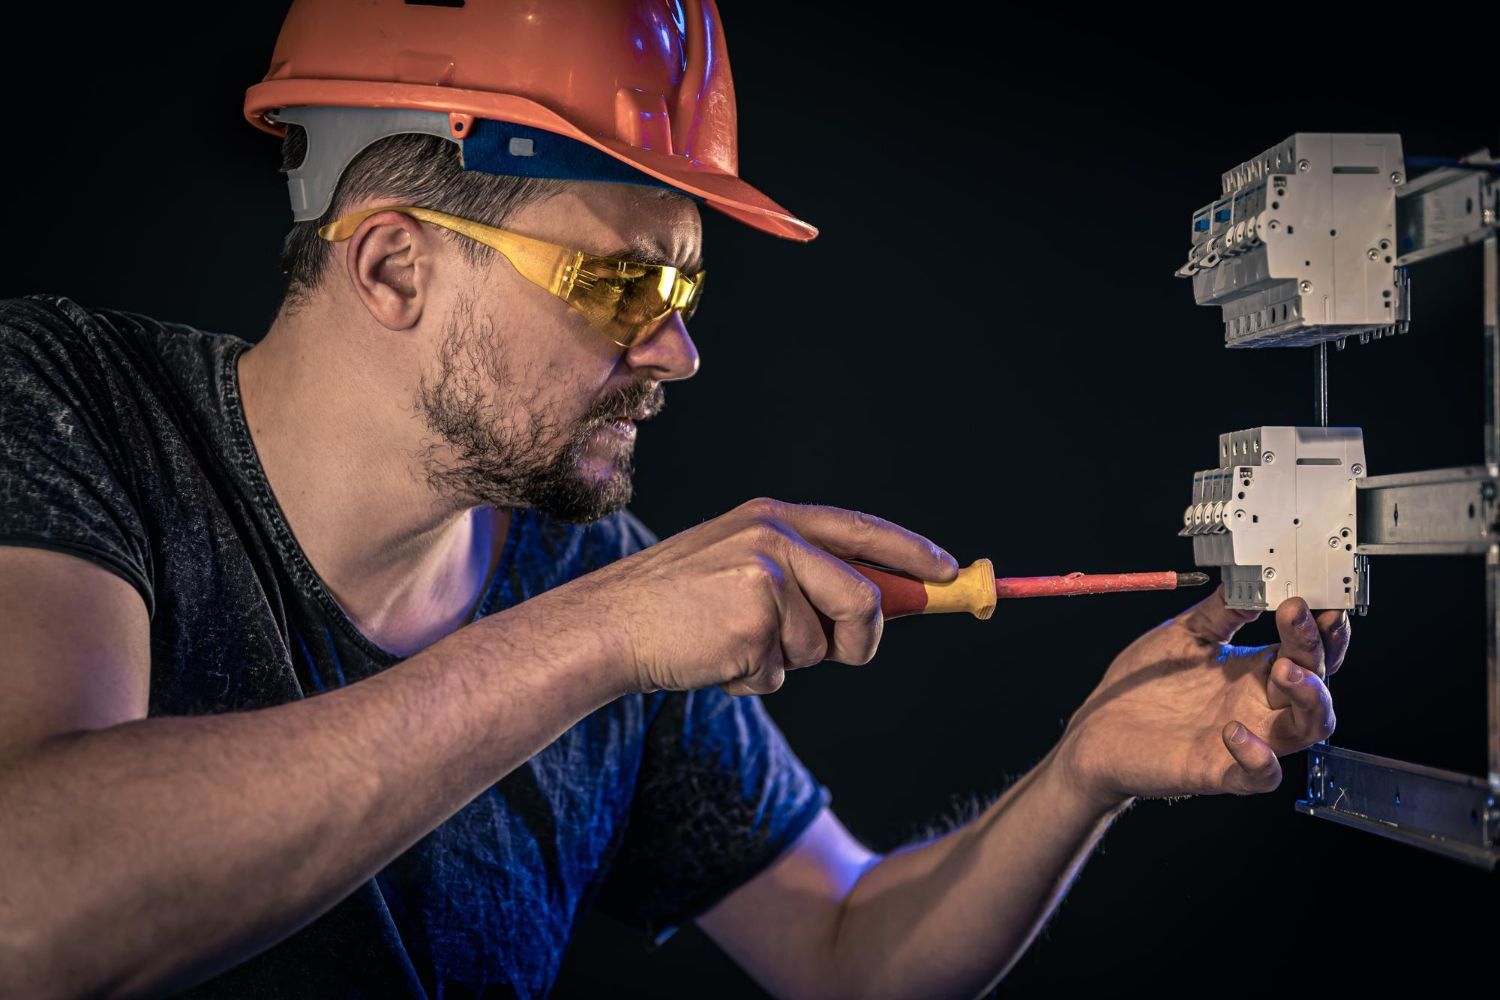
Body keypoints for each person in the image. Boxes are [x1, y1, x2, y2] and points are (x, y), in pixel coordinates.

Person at [0, 1, 1350, 996]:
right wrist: (597, 638)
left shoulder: (598, 585)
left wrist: (1082, 777)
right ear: (396, 268)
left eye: (685, 290)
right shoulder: (71, 404)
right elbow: (35, 906)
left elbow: (848, 950)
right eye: (620, 287)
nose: (676, 352)